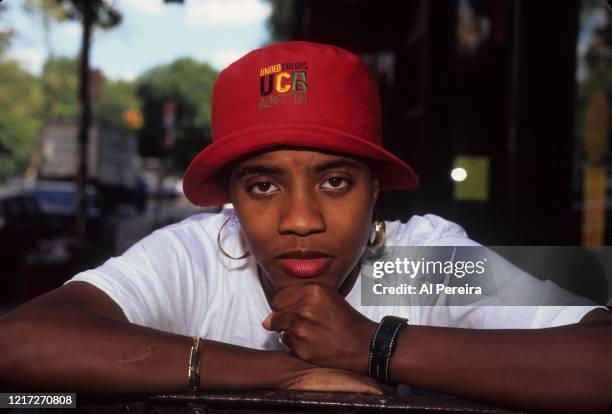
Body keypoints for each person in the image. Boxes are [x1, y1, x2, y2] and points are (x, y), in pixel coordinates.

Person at [0, 41, 610, 413]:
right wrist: (285, 372)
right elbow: (21, 344)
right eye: (263, 185)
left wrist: (375, 346)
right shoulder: (202, 253)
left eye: (335, 182)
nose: (299, 220)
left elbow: (599, 361)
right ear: (232, 200)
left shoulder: (420, 260)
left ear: (376, 190)